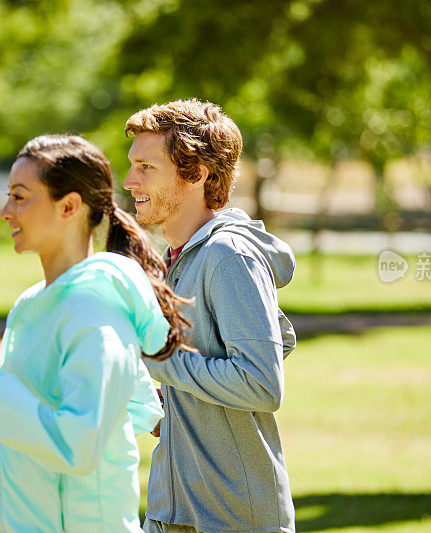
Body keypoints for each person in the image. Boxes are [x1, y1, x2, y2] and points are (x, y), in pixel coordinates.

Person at [0, 134, 191, 532]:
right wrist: (9, 429)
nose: (5, 211)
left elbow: (79, 444)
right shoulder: (32, 305)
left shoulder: (96, 309)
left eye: (20, 197)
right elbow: (136, 409)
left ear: (69, 206)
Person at [123, 100, 297, 533]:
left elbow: (261, 381)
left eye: (146, 167)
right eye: (132, 166)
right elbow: (277, 337)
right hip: (171, 508)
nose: (129, 182)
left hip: (232, 517)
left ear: (197, 173)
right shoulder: (174, 260)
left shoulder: (228, 255)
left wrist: (163, 362)